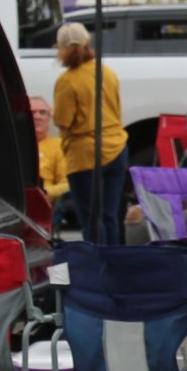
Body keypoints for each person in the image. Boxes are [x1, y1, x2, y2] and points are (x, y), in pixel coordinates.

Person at [52, 21, 128, 243]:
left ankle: (97, 268)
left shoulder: (67, 80)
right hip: (117, 148)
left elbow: (64, 121)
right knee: (109, 216)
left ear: (60, 47)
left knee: (91, 219)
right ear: (87, 42)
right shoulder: (107, 72)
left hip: (85, 156)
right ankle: (114, 266)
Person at [32, 95, 70, 224]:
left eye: (43, 112)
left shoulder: (59, 145)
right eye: (32, 112)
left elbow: (67, 184)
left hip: (46, 201)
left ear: (49, 117)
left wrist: (44, 193)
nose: (37, 116)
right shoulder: (11, 145)